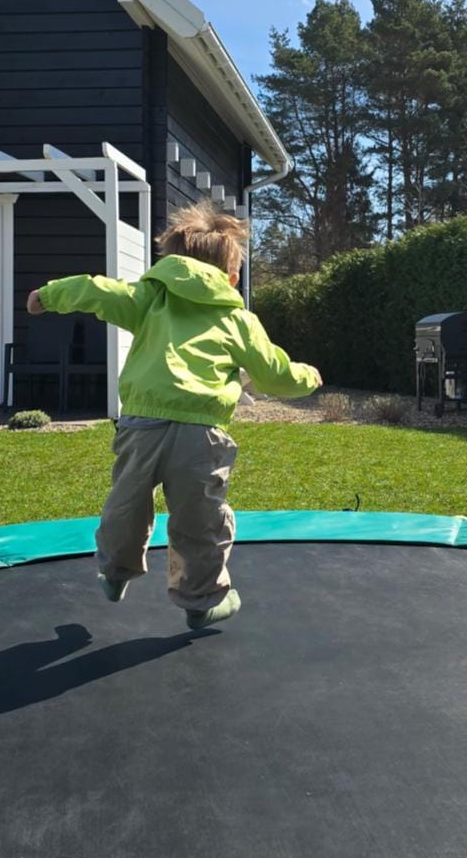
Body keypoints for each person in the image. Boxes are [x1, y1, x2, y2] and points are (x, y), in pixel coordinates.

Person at [26, 201, 322, 631]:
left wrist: (47, 296)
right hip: (200, 436)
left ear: (172, 262)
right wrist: (308, 376)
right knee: (199, 519)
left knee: (126, 503)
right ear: (231, 277)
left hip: (141, 425)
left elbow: (98, 291)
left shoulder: (150, 298)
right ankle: (200, 601)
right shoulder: (236, 318)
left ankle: (114, 571)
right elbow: (274, 374)